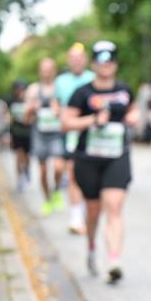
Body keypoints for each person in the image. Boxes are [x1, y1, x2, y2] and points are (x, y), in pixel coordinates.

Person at [61, 41, 139, 284]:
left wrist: (133, 118)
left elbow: (134, 112)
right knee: (93, 212)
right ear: (93, 64)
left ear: (115, 64)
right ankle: (92, 247)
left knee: (114, 207)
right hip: (88, 158)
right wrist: (93, 120)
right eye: (101, 61)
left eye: (110, 61)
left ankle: (113, 261)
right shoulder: (82, 92)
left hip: (117, 156)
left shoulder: (125, 89)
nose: (106, 66)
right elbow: (66, 122)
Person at [55, 42, 95, 234]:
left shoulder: (93, 78)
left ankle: (89, 213)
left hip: (93, 134)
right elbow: (56, 103)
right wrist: (58, 114)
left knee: (90, 177)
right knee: (73, 174)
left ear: (86, 60)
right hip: (70, 133)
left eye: (80, 58)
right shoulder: (61, 81)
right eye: (73, 58)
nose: (77, 62)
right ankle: (76, 217)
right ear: (69, 61)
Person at [25, 57, 67, 215]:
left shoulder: (60, 89)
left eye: (49, 69)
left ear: (54, 71)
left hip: (56, 134)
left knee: (58, 168)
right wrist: (31, 109)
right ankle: (47, 200)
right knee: (42, 172)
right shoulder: (33, 90)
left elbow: (70, 113)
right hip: (39, 134)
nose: (47, 72)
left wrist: (59, 111)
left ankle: (56, 190)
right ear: (40, 71)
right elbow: (26, 118)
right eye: (44, 69)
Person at [6, 79, 31, 190]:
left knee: (27, 156)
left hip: (29, 133)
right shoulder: (11, 101)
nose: (20, 91)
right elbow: (8, 118)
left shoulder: (29, 101)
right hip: (16, 133)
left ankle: (26, 169)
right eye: (17, 89)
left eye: (21, 89)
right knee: (19, 155)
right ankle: (20, 178)